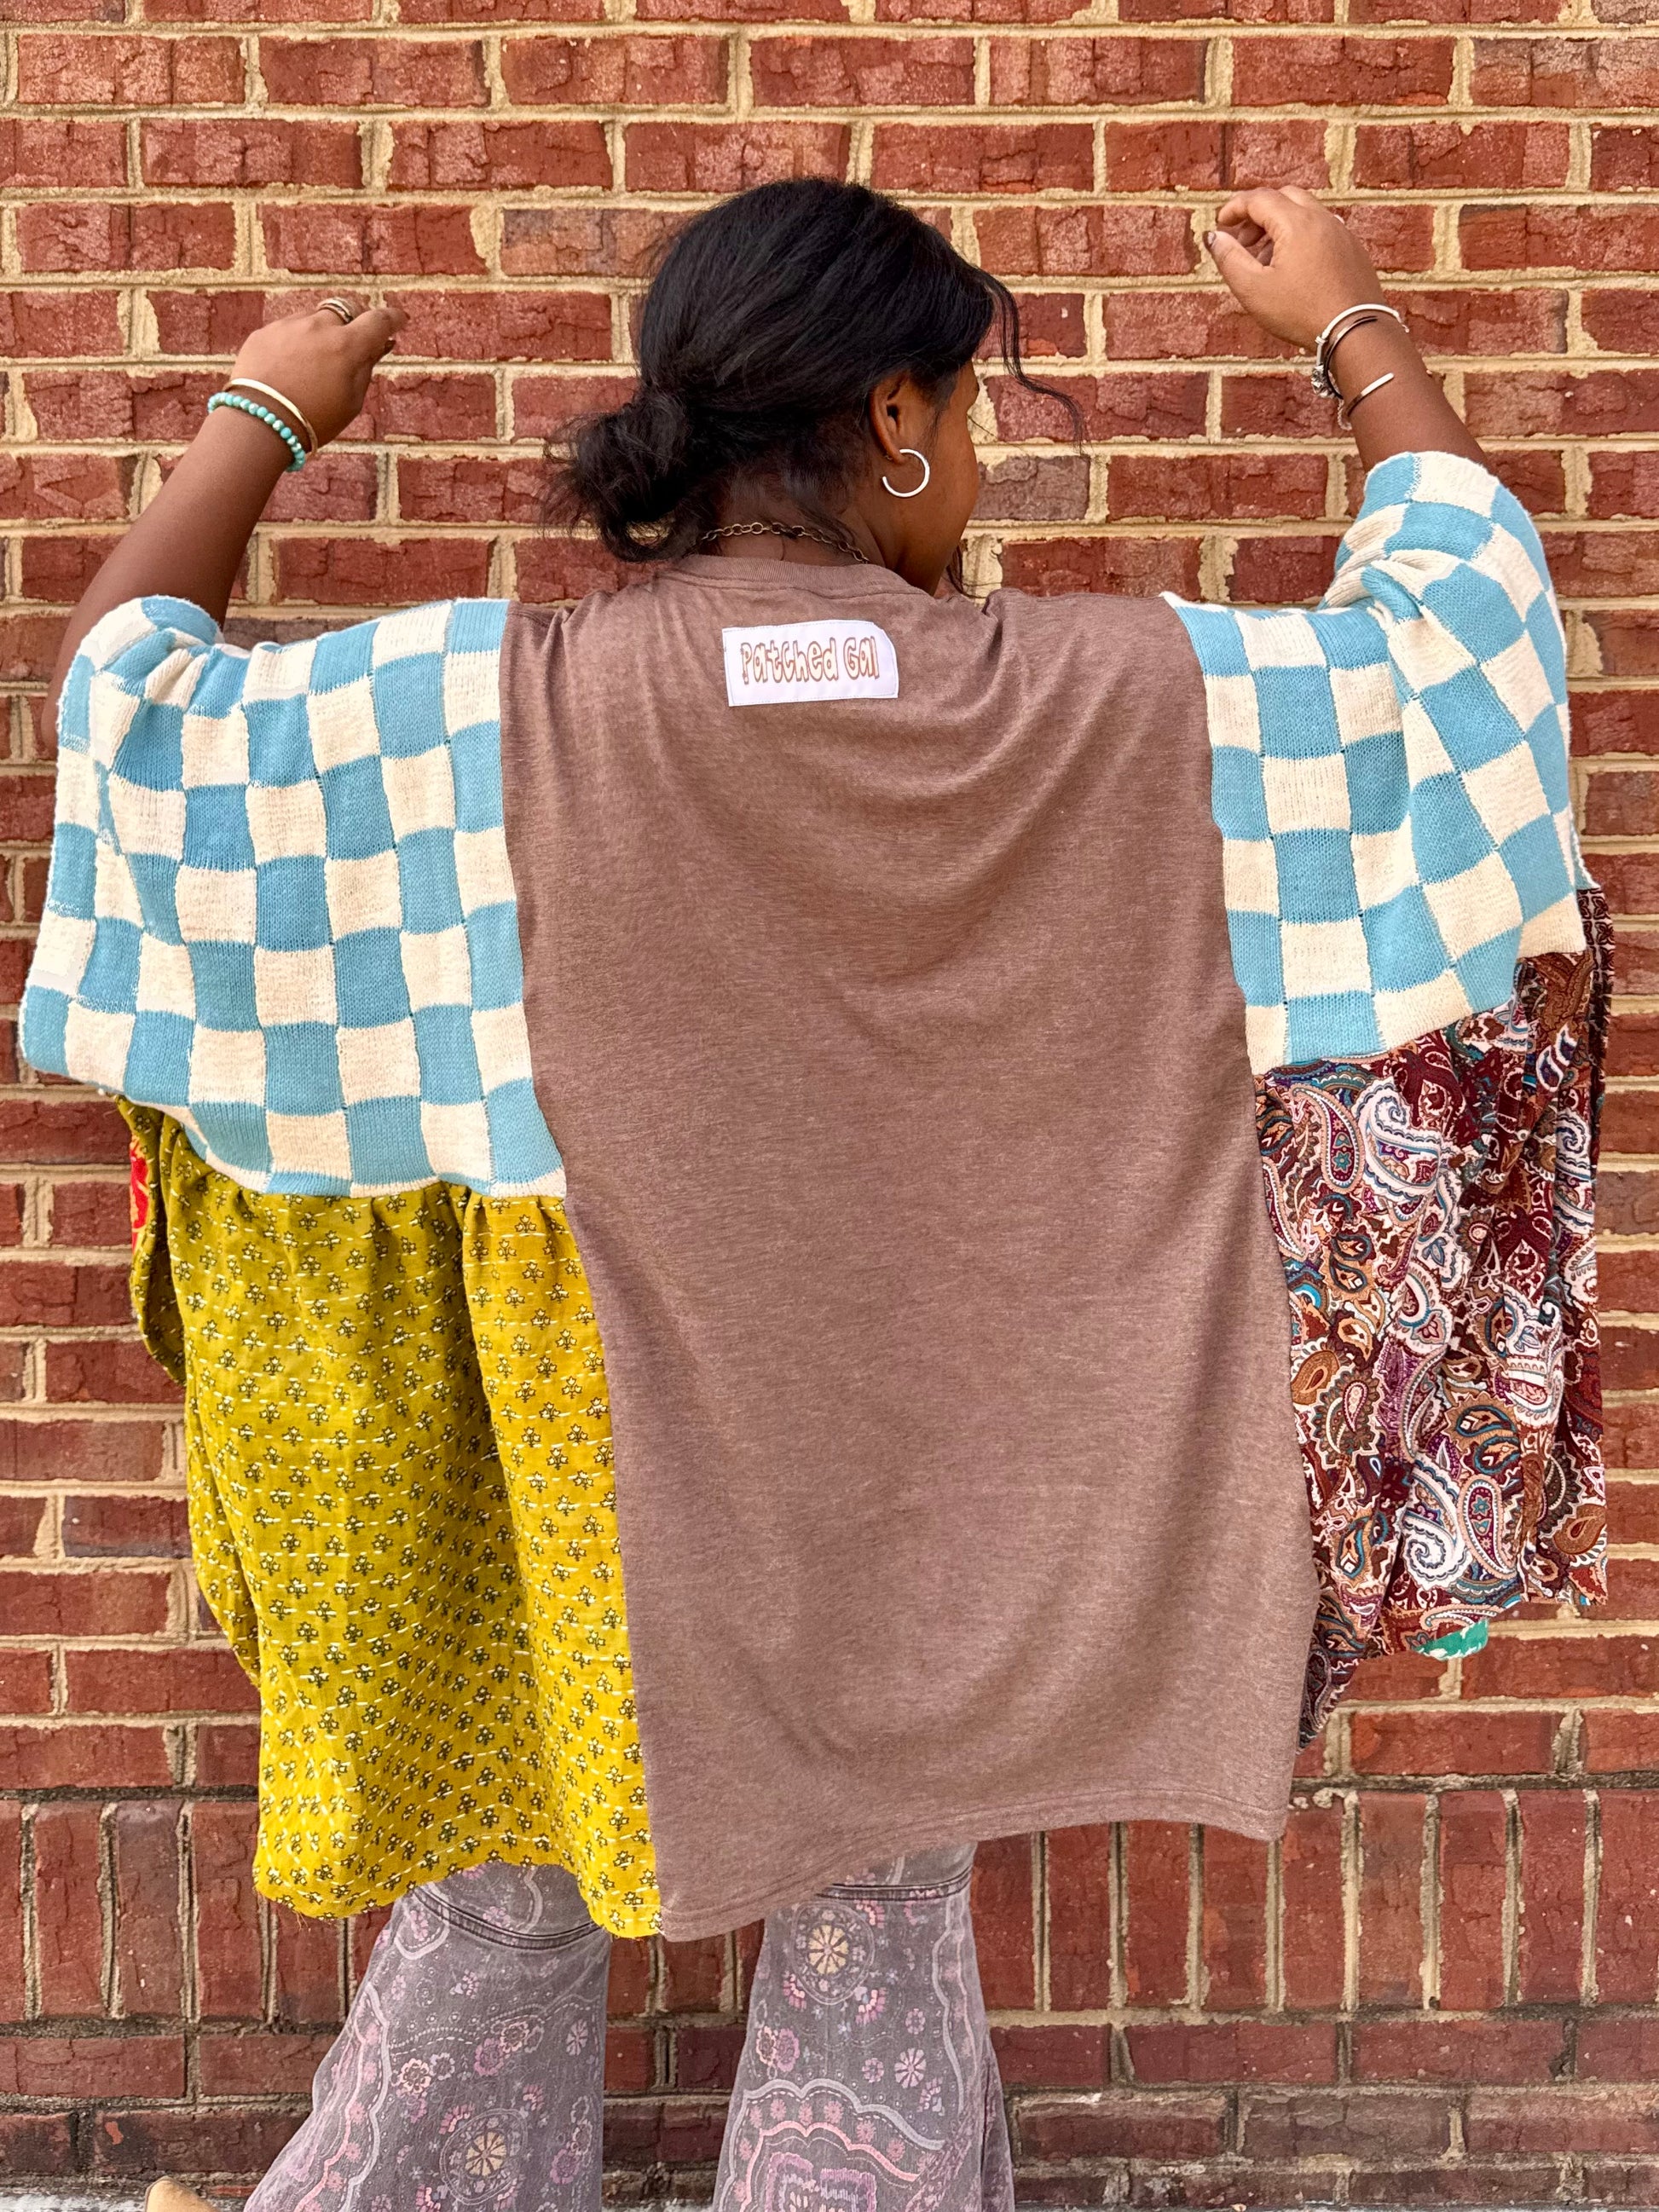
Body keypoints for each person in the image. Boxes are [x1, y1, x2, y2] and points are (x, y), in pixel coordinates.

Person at [26, 180, 1606, 2212]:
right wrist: (1352, 331)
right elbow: (1462, 660)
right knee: (876, 1916)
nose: (981, 465)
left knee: (502, 1884)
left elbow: (127, 707)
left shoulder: (484, 715)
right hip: (941, 1511)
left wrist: (265, 406)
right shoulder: (1115, 703)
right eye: (975, 412)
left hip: (582, 1486)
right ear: (889, 416)